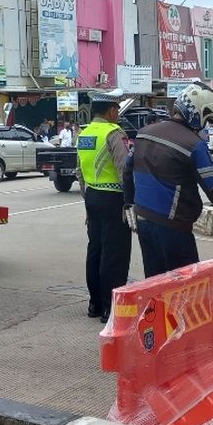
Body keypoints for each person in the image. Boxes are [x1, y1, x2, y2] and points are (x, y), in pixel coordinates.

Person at [124, 82, 213, 277]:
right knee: (187, 289)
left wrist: (129, 204)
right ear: (198, 113)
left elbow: (127, 170)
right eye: (207, 120)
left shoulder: (144, 133)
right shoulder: (194, 145)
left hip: (143, 221)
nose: (205, 126)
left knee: (154, 286)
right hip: (174, 230)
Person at [76, 96, 132, 323]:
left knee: (95, 250)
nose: (117, 114)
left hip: (92, 196)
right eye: (116, 110)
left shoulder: (84, 134)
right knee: (114, 253)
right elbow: (124, 170)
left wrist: (87, 201)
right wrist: (130, 203)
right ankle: (111, 307)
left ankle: (95, 304)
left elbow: (79, 173)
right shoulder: (113, 133)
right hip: (113, 199)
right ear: (111, 111)